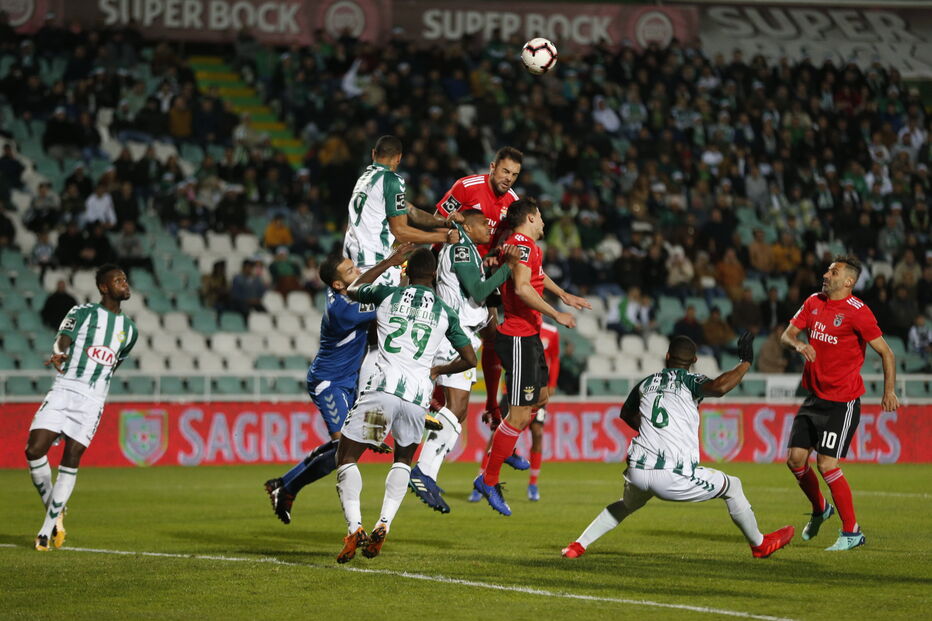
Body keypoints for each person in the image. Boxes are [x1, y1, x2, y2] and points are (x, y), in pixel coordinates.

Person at [561, 334, 794, 559]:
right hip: (672, 475)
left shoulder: (646, 383)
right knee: (733, 486)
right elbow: (720, 387)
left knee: (626, 505)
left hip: (638, 471)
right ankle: (760, 545)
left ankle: (578, 545)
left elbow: (626, 413)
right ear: (694, 360)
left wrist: (652, 431)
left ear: (667, 356)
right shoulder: (690, 381)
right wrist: (745, 363)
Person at [334, 246, 477, 563]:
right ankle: (383, 523)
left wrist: (389, 261)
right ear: (435, 275)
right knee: (402, 459)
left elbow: (353, 289)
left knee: (346, 457)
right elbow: (470, 359)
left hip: (382, 392)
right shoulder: (445, 311)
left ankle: (355, 528)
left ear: (407, 272)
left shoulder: (388, 294)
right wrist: (439, 370)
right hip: (416, 399)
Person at [472, 198, 590, 516]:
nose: (544, 222)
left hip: (530, 336)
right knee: (519, 416)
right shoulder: (521, 247)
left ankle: (506, 443)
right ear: (531, 218)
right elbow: (523, 288)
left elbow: (536, 276)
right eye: (540, 216)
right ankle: (488, 479)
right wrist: (557, 313)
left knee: (542, 397)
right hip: (518, 337)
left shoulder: (529, 248)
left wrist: (563, 294)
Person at [781, 255, 900, 551]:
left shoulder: (858, 312)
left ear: (848, 281)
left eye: (833, 272)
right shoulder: (813, 301)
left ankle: (852, 532)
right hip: (814, 397)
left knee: (826, 464)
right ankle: (821, 508)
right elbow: (787, 335)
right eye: (827, 270)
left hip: (842, 402)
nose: (826, 274)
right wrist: (799, 344)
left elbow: (887, 352)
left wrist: (889, 391)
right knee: (795, 460)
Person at [408, 209, 520, 513]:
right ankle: (422, 471)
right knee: (455, 408)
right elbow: (478, 290)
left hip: (461, 333)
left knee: (456, 413)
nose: (489, 227)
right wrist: (508, 268)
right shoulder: (461, 250)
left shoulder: (467, 250)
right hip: (455, 334)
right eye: (483, 223)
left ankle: (426, 473)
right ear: (467, 226)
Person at [264, 252, 387, 524]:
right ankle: (289, 488)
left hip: (347, 381)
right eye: (351, 271)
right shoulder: (344, 311)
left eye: (354, 267)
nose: (357, 271)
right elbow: (385, 306)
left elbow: (365, 285)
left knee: (344, 446)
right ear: (338, 284)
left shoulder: (342, 293)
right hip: (329, 382)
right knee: (343, 449)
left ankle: (282, 483)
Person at [25, 264, 138, 551]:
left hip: (92, 400)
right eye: (118, 280)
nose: (125, 283)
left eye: (125, 279)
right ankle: (55, 508)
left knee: (71, 457)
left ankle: (46, 529)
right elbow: (63, 339)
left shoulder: (130, 331)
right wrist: (59, 353)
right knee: (34, 449)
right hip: (64, 389)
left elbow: (114, 364)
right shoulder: (82, 312)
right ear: (103, 287)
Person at [434, 146, 523, 426]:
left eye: (515, 175)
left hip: (482, 270)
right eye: (505, 171)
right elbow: (437, 219)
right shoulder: (466, 187)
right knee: (443, 330)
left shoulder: (513, 202)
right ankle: (431, 394)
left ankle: (491, 405)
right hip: (452, 268)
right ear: (492, 167)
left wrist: (499, 256)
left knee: (492, 334)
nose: (509, 178)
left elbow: (509, 241)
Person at [342, 135, 458, 287]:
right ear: (398, 158)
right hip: (375, 265)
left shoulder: (364, 179)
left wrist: (445, 222)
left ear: (373, 153)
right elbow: (400, 231)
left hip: (353, 264)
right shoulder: (391, 180)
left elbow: (412, 211)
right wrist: (444, 237)